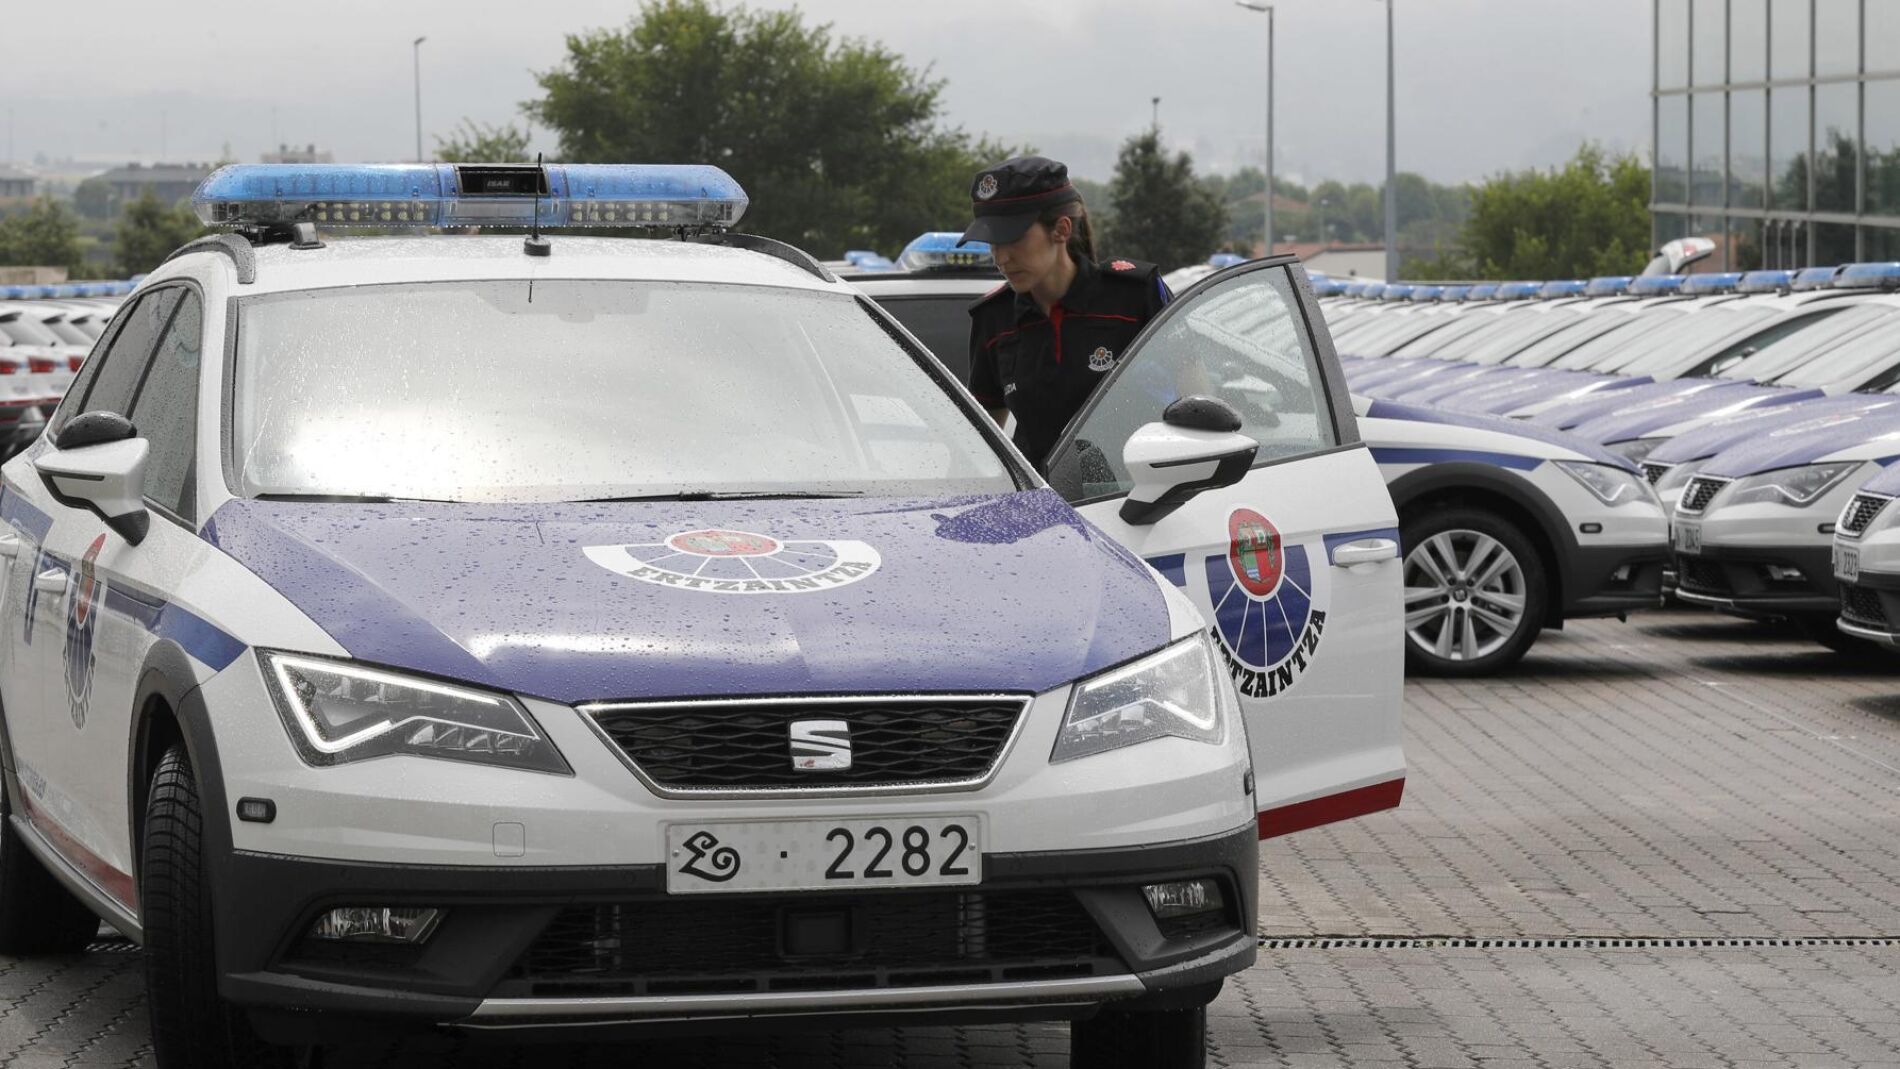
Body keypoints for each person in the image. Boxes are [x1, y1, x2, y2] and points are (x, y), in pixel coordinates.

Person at [961, 156, 1170, 469]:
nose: (1000, 258)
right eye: (993, 242)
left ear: (1061, 229)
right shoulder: (994, 318)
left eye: (1012, 239)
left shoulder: (1135, 297)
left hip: (1138, 491)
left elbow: (1196, 401)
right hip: (1038, 496)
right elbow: (978, 441)